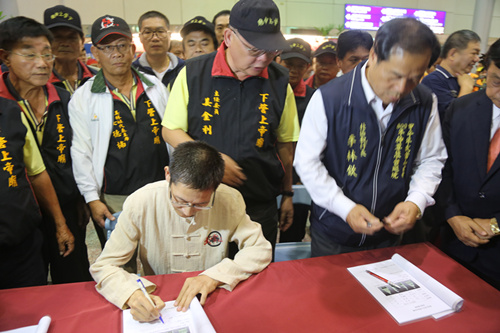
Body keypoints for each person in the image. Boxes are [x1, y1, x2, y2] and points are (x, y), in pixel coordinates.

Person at [294, 18, 446, 256]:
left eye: (415, 78)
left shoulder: (425, 101)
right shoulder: (330, 98)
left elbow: (431, 159)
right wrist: (345, 208)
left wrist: (416, 201)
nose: (401, 88)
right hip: (335, 233)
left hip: (391, 235)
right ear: (374, 56)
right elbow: (307, 162)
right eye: (394, 75)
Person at [162, 0, 299, 253]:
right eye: (255, 50)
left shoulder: (279, 82)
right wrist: (212, 161)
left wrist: (288, 194)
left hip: (259, 204)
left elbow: (285, 146)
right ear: (228, 36)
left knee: (256, 278)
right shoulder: (193, 74)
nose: (264, 59)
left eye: (271, 51)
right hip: (204, 203)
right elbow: (170, 130)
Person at [90, 141, 272, 321]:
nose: (188, 211)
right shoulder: (141, 202)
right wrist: (131, 294)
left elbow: (260, 249)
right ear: (168, 175)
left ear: (216, 187)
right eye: (179, 200)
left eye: (201, 204)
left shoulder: (229, 199)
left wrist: (214, 277)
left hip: (210, 294)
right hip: (159, 298)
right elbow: (103, 266)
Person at [69, 15, 170, 248]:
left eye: (122, 45)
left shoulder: (155, 87)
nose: (116, 53)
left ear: (133, 49)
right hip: (114, 197)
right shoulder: (84, 98)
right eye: (107, 47)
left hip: (161, 191)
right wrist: (92, 199)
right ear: (95, 52)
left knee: (162, 257)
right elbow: (81, 151)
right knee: (121, 264)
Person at [0, 17, 75, 288]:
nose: (43, 63)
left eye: (47, 54)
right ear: (5, 57)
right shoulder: (4, 106)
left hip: (66, 208)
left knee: (72, 278)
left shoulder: (65, 99)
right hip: (18, 219)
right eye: (30, 54)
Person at [439, 39, 500, 290]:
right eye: (496, 81)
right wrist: (453, 215)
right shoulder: (461, 109)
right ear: (486, 71)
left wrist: (497, 223)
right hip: (453, 244)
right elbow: (441, 166)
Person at [277, 38, 314, 242]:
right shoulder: (267, 93)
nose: (294, 70)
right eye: (289, 64)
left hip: (299, 179)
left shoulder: (314, 98)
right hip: (269, 176)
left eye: (300, 66)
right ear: (278, 61)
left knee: (292, 234)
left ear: (308, 67)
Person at [421, 30, 481, 118]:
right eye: (474, 53)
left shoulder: (462, 80)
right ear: (452, 54)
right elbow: (452, 117)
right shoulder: (433, 80)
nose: (477, 59)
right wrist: (466, 88)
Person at [43, 5, 97, 95]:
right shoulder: (40, 82)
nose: (65, 43)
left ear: (82, 41)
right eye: (58, 37)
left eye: (71, 37)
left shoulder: (98, 78)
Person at [133, 11, 185, 89]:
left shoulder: (184, 69)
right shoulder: (133, 72)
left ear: (169, 35)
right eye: (148, 32)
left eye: (160, 32)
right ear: (140, 37)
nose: (155, 38)